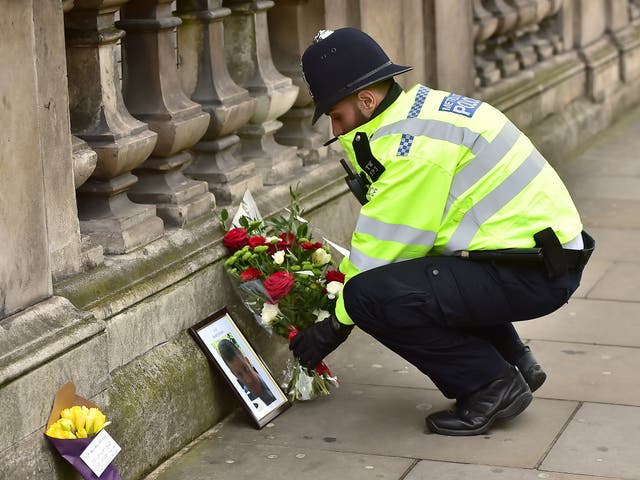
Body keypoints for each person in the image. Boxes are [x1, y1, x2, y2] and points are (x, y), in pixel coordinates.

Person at [290, 27, 594, 436]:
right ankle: (515, 360)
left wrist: (334, 326)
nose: (336, 131)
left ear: (366, 100)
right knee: (429, 274)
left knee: (369, 297)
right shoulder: (425, 109)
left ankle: (490, 385)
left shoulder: (411, 147)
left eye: (337, 116)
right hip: (541, 259)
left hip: (533, 273)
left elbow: (379, 253)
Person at [218, 338, 277, 406]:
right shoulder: (246, 403)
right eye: (239, 374)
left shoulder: (272, 377)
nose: (248, 380)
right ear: (234, 374)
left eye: (246, 369)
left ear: (248, 362)